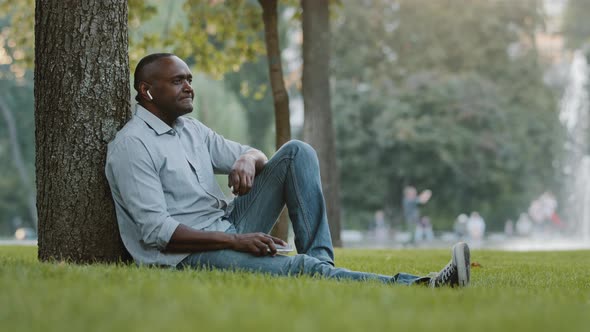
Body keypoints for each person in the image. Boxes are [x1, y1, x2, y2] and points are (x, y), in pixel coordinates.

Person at [105, 53, 470, 288]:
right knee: (300, 270)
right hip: (183, 257)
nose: (189, 87)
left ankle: (321, 269)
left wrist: (248, 158)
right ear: (147, 91)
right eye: (178, 81)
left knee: (297, 152)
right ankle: (423, 285)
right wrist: (236, 241)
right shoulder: (132, 146)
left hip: (226, 227)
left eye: (190, 79)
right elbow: (157, 234)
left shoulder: (190, 129)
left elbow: (256, 156)